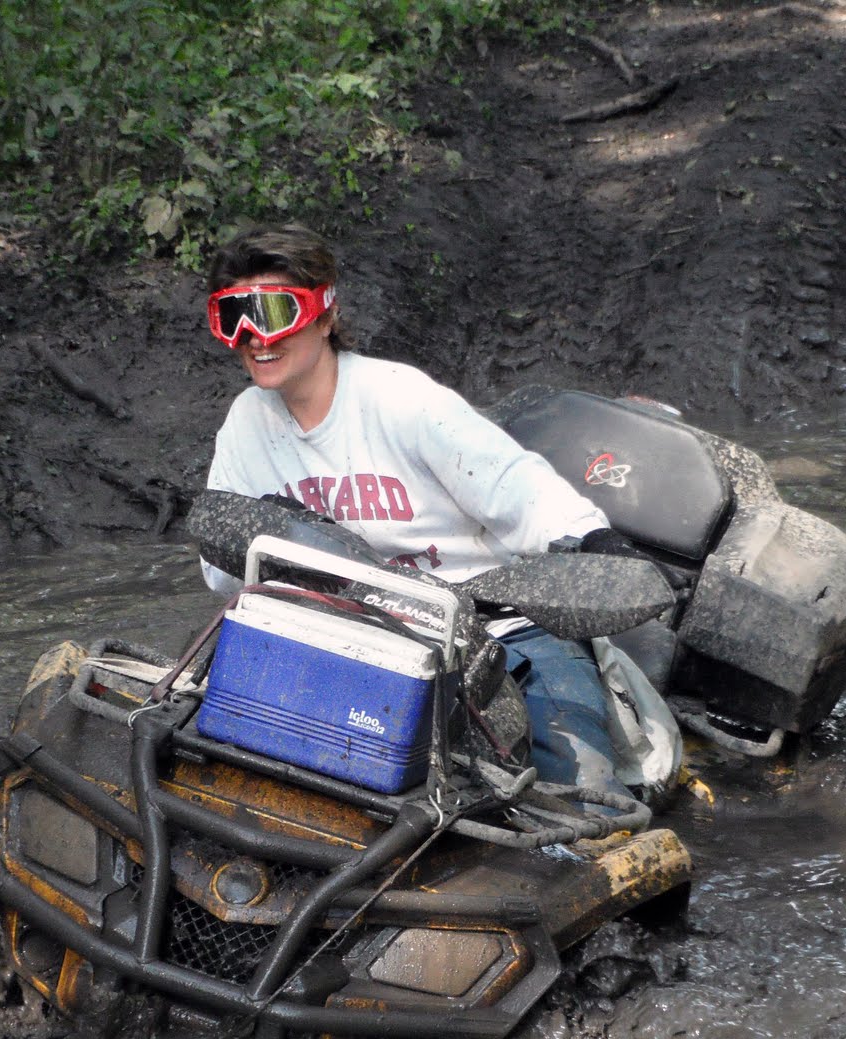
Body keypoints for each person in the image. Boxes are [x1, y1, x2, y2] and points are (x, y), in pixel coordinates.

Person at [200, 223, 644, 799]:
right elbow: (221, 572)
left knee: (582, 794)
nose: (255, 338)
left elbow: (517, 487)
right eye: (234, 316)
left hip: (499, 627)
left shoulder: (401, 400)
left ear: (326, 315)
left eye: (275, 313)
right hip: (363, 640)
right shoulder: (246, 424)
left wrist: (592, 541)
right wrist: (281, 533)